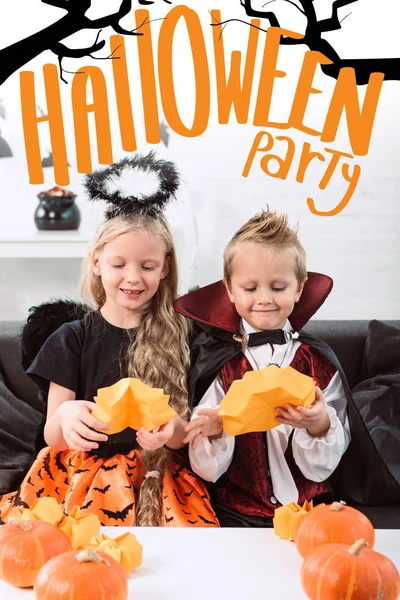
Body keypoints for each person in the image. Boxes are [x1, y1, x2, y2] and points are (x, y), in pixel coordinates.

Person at [0, 153, 218, 528]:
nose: (132, 278)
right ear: (97, 262)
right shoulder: (71, 338)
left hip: (157, 477)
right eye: (119, 264)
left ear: (165, 267)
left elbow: (184, 435)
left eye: (147, 266)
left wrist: (172, 432)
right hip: (82, 475)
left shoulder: (185, 334)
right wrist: (67, 417)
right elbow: (53, 431)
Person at [177, 210, 351, 527]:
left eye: (278, 287)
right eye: (250, 287)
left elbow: (328, 462)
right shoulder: (220, 363)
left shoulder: (317, 362)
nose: (265, 299)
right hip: (236, 514)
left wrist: (319, 423)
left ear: (299, 288)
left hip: (311, 511)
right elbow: (206, 469)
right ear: (230, 290)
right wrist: (214, 432)